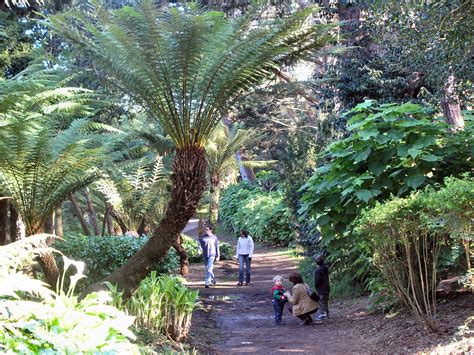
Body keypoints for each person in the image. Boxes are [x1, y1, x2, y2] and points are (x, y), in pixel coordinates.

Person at [314, 255, 330, 320]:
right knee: (325, 301)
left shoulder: (318, 270)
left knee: (322, 301)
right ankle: (327, 313)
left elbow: (318, 280)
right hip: (327, 287)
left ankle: (323, 314)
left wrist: (316, 286)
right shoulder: (325, 268)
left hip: (321, 288)